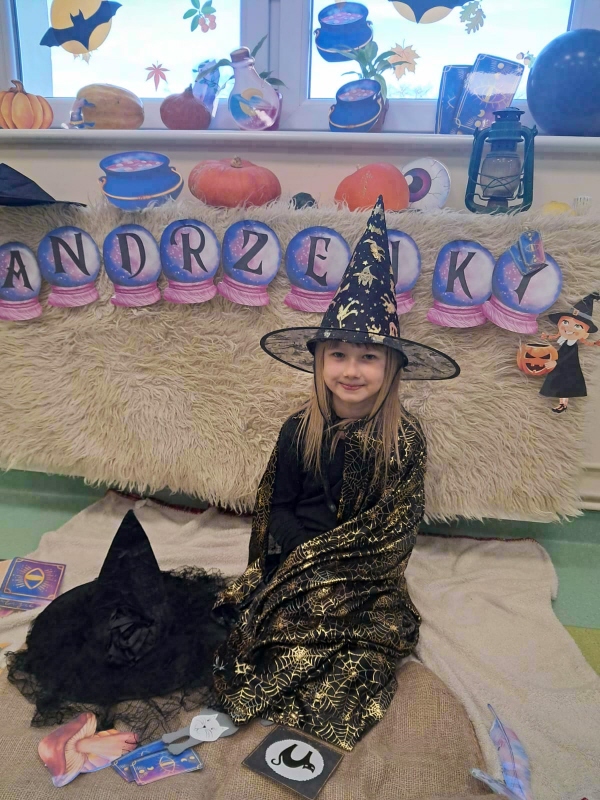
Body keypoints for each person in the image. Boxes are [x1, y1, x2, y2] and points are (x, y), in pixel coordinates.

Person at [211, 196, 460, 751]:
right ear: (320, 361)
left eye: (368, 357)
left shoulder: (405, 440)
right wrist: (303, 560)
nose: (351, 370)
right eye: (339, 355)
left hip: (365, 578)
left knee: (355, 653)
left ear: (391, 367)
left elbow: (395, 533)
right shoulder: (298, 430)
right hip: (298, 558)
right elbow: (276, 506)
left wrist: (335, 571)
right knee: (265, 636)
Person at [540, 292, 600, 413]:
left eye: (577, 326)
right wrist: (547, 336)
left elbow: (567, 357)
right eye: (566, 322)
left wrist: (555, 363)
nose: (569, 328)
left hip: (568, 368)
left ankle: (563, 404)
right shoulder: (564, 340)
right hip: (561, 367)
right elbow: (555, 337)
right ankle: (562, 403)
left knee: (565, 385)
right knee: (560, 384)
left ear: (585, 333)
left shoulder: (572, 346)